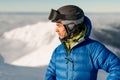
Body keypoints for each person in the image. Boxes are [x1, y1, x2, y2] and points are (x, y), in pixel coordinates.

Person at [45, 5, 120, 80]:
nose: (56, 30)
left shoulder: (94, 49)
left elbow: (117, 67)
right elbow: (50, 74)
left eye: (59, 25)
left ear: (70, 26)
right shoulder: (58, 51)